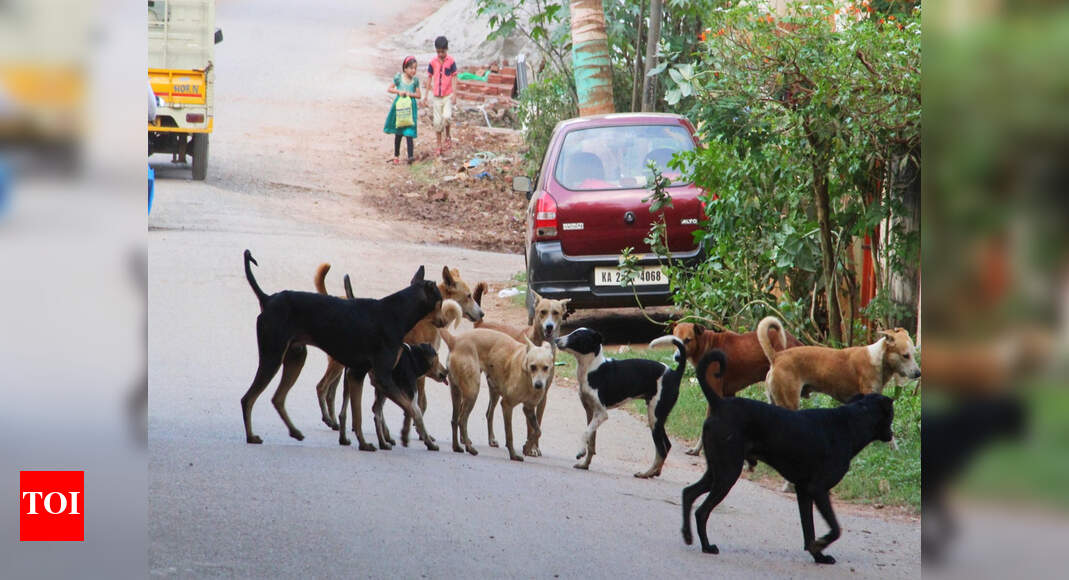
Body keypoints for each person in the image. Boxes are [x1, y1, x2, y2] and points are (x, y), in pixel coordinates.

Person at [384, 56, 422, 164]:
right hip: (400, 108)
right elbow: (389, 88)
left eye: (415, 68)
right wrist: (398, 92)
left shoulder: (415, 81)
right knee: (399, 132)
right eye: (411, 68)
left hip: (410, 109)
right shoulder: (399, 78)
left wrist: (410, 94)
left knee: (409, 132)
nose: (413, 71)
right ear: (405, 68)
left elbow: (419, 95)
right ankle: (396, 156)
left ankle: (410, 157)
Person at [425, 36, 457, 156]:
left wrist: (455, 94)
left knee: (447, 116)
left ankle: (448, 135)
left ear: (447, 49)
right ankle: (439, 145)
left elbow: (454, 77)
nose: (440, 54)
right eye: (438, 51)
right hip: (437, 96)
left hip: (447, 95)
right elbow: (429, 77)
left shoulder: (451, 61)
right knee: (437, 122)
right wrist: (426, 95)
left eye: (442, 51)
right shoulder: (433, 62)